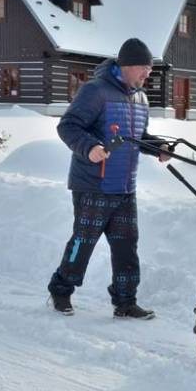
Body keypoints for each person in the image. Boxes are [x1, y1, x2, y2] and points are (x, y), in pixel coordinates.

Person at [47, 37, 167, 318]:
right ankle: (61, 290)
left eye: (149, 70)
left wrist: (158, 147)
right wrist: (89, 148)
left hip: (125, 186)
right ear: (127, 65)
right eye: (144, 69)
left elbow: (138, 138)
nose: (147, 74)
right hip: (93, 184)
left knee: (127, 246)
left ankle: (125, 303)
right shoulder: (95, 91)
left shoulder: (140, 98)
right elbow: (68, 126)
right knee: (84, 241)